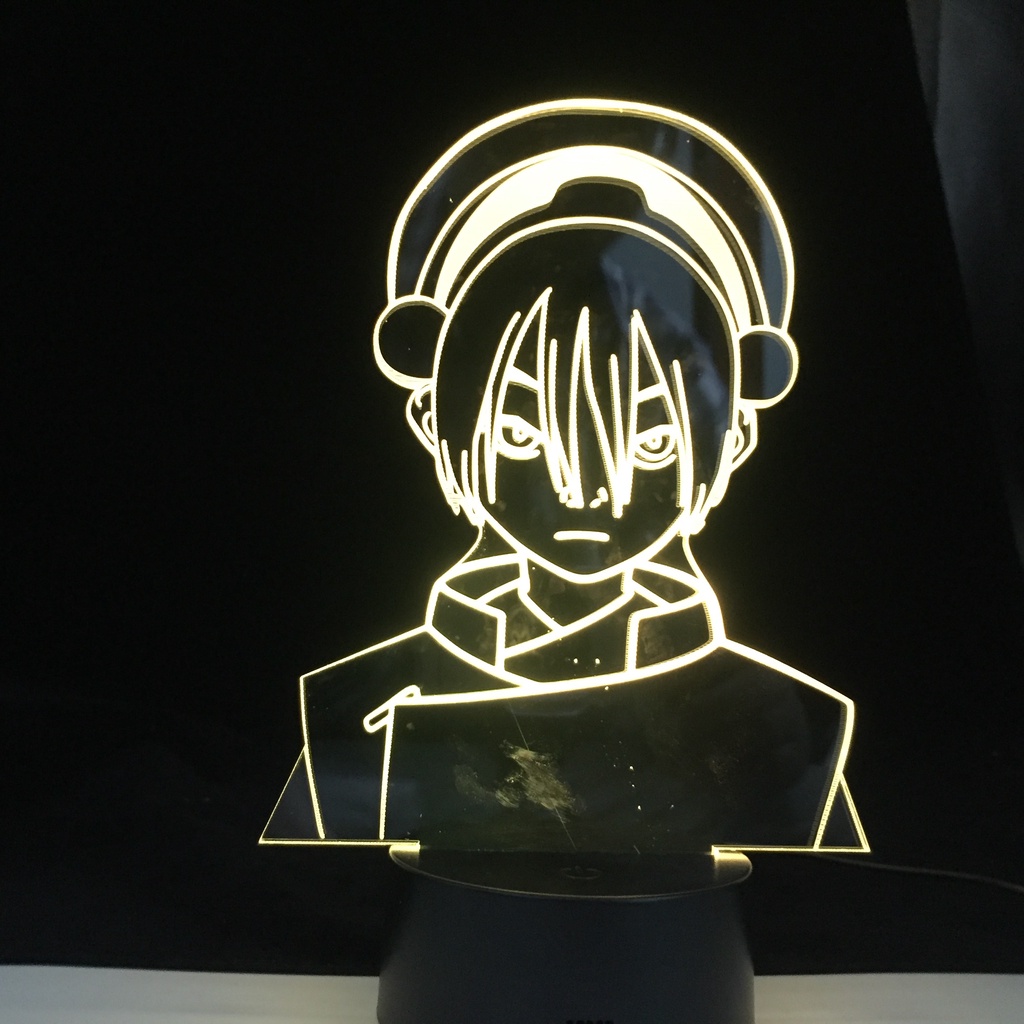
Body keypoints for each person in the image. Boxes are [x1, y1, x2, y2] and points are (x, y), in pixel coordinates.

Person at [262, 100, 868, 856]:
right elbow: (310, 881)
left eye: (649, 443)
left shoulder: (772, 715)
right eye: (522, 435)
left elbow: (821, 895)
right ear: (432, 422)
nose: (586, 492)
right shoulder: (357, 703)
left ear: (734, 440)